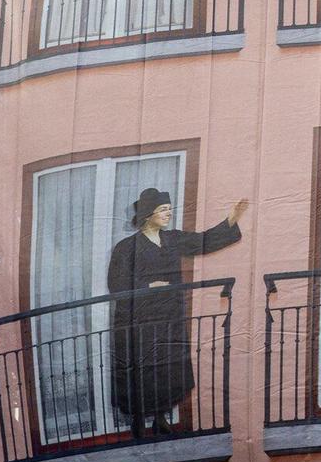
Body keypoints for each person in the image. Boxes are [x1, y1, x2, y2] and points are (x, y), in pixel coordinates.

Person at [105, 188, 248, 440]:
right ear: (148, 214)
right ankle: (138, 424)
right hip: (137, 322)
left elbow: (203, 240)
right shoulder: (126, 247)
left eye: (169, 208)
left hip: (168, 318)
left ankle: (160, 418)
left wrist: (231, 220)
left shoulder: (172, 239)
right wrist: (146, 287)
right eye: (163, 209)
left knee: (166, 368)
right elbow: (115, 283)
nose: (169, 213)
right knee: (141, 369)